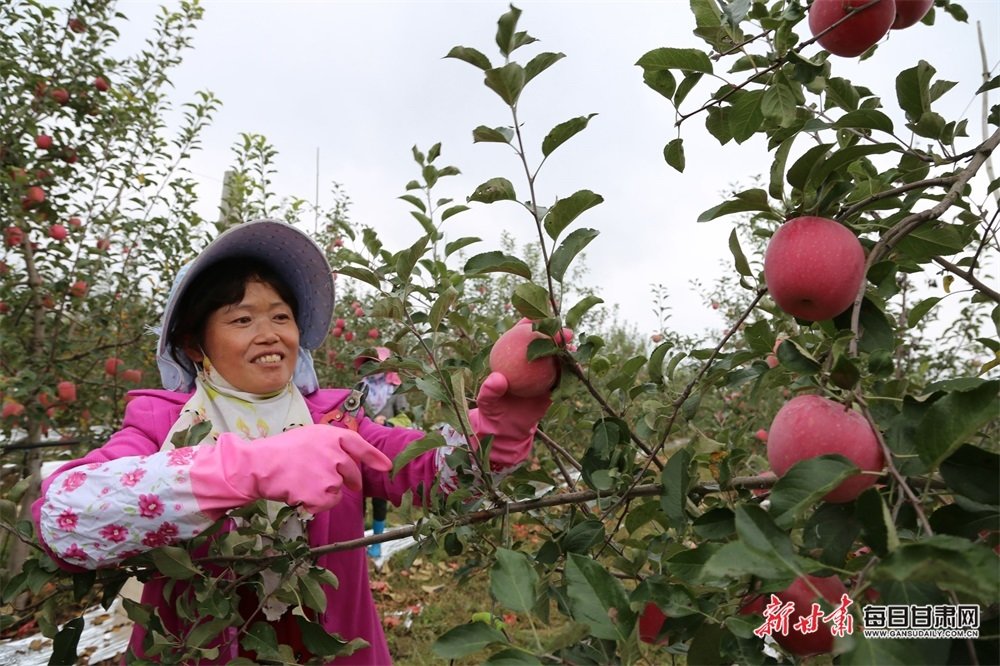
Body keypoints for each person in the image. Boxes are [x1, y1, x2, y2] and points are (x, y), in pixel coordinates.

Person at [31, 219, 569, 665]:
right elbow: (63, 516)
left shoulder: (335, 419)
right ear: (196, 344)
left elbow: (429, 472)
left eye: (282, 317)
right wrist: (247, 468)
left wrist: (500, 428)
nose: (270, 333)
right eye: (241, 319)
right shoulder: (159, 424)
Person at [353, 347, 409, 558]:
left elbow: (406, 417)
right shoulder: (359, 388)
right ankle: (356, 539)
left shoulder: (396, 389)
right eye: (368, 364)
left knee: (379, 496)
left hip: (383, 450)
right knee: (356, 494)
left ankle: (376, 542)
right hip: (358, 448)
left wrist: (388, 421)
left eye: (376, 363)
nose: (372, 368)